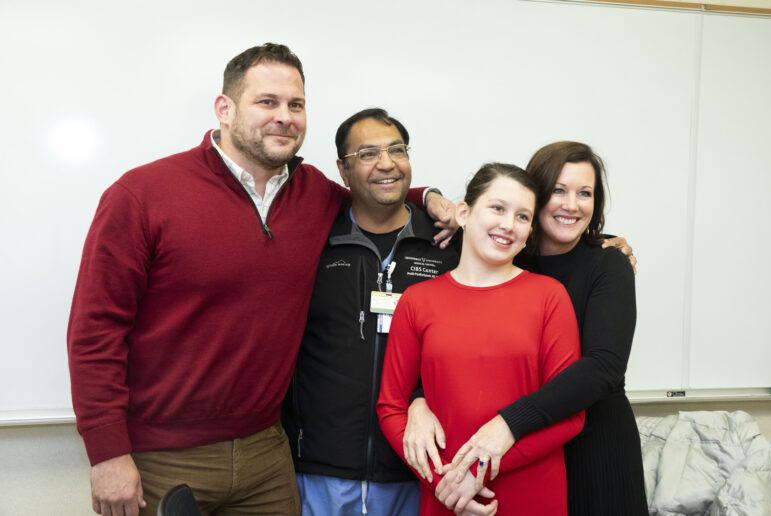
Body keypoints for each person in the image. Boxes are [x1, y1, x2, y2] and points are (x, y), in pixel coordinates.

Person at [67, 44, 455, 516]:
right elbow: (95, 331)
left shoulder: (313, 193)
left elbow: (376, 191)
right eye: (266, 102)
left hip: (269, 455)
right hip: (163, 455)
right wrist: (107, 453)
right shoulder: (143, 194)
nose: (285, 117)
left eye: (296, 104)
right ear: (224, 109)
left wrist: (432, 197)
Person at [406, 142, 649, 515]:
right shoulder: (501, 255)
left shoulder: (608, 263)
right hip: (519, 456)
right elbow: (452, 339)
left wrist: (508, 423)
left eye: (585, 193)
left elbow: (603, 366)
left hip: (593, 446)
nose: (571, 204)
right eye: (558, 191)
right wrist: (419, 399)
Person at [281, 108, 461, 516]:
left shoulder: (450, 246)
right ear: (343, 171)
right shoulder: (311, 240)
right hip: (320, 472)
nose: (386, 163)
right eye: (367, 154)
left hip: (418, 470)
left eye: (397, 150)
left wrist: (601, 245)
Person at [378, 163, 585, 516]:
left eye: (523, 216)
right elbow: (391, 407)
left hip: (531, 493)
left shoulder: (550, 297)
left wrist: (477, 471)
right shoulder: (418, 300)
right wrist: (444, 483)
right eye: (498, 208)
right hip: (447, 496)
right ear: (464, 213)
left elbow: (570, 414)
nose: (509, 225)